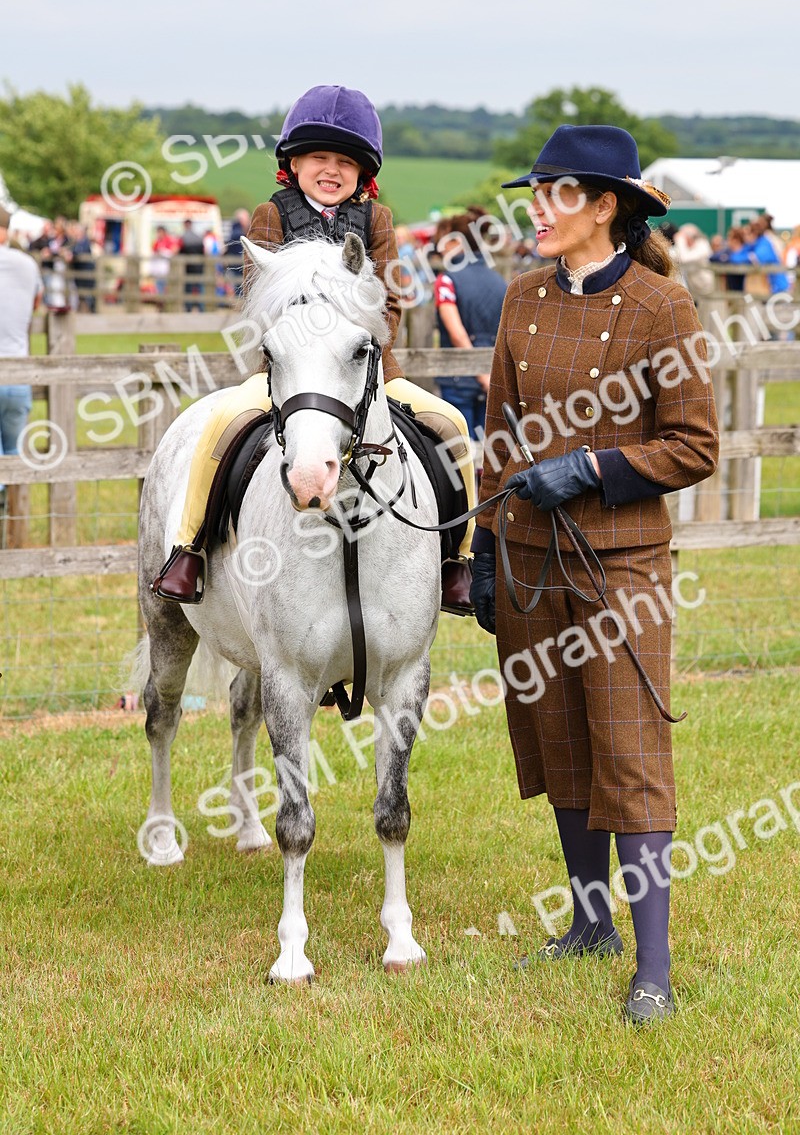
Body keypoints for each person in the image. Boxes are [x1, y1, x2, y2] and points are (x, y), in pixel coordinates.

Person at [469, 125, 719, 1025]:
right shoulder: (522, 298)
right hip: (532, 561)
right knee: (559, 740)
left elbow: (694, 445)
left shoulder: (662, 306)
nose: (535, 209)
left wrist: (593, 469)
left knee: (630, 750)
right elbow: (498, 434)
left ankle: (652, 967)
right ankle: (589, 923)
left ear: (604, 206)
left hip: (621, 569)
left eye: (554, 194)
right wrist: (486, 550)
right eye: (533, 192)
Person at [152, 85, 476, 613]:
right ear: (294, 162)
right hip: (286, 371)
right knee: (219, 426)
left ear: (362, 172)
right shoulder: (270, 215)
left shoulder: (378, 221)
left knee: (452, 427)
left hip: (367, 370)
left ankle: (456, 561)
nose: (331, 170)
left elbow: (391, 300)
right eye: (319, 158)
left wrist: (359, 345)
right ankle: (189, 550)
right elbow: (259, 300)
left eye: (345, 161)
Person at [432, 207, 508, 441]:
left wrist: (479, 373)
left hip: (459, 378)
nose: (439, 248)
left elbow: (457, 335)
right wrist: (489, 377)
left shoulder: (446, 280)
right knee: (487, 454)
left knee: (458, 454)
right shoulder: (500, 282)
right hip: (492, 377)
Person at [0, 205, 44, 518]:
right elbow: (36, 302)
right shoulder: (27, 264)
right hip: (19, 372)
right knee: (14, 452)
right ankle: (14, 524)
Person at [178, 220, 205, 312]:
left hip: (188, 268)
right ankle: (201, 308)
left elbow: (180, 252)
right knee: (199, 288)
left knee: (188, 288)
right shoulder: (199, 237)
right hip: (199, 267)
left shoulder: (183, 238)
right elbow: (203, 252)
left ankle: (188, 308)